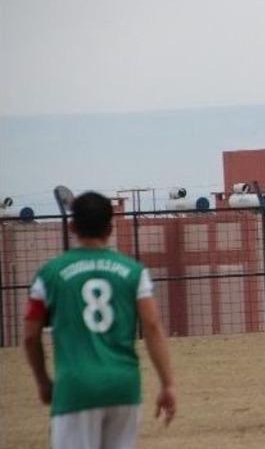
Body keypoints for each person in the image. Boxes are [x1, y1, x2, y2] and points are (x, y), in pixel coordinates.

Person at [23, 192, 176, 449]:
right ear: (110, 228)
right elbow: (152, 325)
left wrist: (42, 381)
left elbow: (30, 336)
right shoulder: (135, 272)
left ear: (72, 227)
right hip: (123, 387)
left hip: (75, 388)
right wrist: (167, 384)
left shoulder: (48, 274)